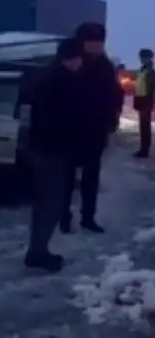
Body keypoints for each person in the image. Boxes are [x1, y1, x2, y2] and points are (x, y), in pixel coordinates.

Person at [25, 38, 88, 272]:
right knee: (50, 203)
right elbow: (60, 120)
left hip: (48, 148)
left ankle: (38, 250)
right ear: (68, 59)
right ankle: (37, 253)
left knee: (48, 203)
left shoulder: (54, 77)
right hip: (49, 150)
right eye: (75, 59)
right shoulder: (57, 82)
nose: (78, 63)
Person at [62, 22, 123, 234]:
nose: (96, 47)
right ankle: (64, 217)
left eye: (99, 42)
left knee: (91, 177)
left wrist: (112, 120)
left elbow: (115, 94)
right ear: (82, 43)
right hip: (70, 131)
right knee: (66, 179)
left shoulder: (105, 66)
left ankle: (88, 217)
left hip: (95, 131)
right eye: (91, 42)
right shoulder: (72, 63)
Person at [133, 48, 155, 158]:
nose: (141, 59)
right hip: (142, 101)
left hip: (146, 101)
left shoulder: (150, 71)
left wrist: (146, 101)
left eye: (142, 57)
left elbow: (149, 88)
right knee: (143, 126)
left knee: (145, 126)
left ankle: (144, 150)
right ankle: (143, 148)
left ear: (148, 58)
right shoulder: (143, 70)